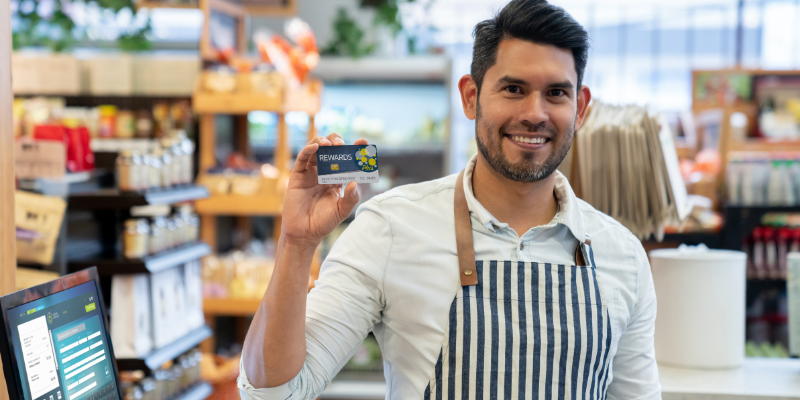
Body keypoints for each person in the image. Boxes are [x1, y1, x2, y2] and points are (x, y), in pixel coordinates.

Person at [238, 0, 661, 398]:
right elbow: (274, 392)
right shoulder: (390, 228)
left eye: (556, 93)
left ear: (580, 108)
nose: (535, 112)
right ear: (471, 97)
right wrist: (296, 244)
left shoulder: (621, 254)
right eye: (513, 89)